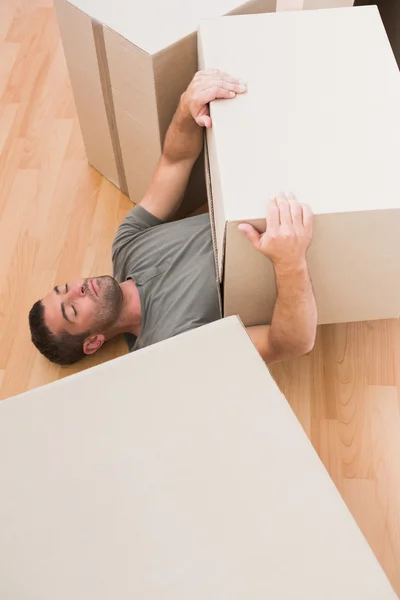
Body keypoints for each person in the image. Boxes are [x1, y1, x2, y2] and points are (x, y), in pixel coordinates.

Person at [29, 69, 317, 366]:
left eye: (65, 288)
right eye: (73, 309)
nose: (78, 289)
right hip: (313, 238)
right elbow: (288, 343)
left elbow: (174, 161)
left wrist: (185, 108)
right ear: (93, 342)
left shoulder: (127, 245)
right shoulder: (170, 346)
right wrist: (290, 262)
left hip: (286, 183)